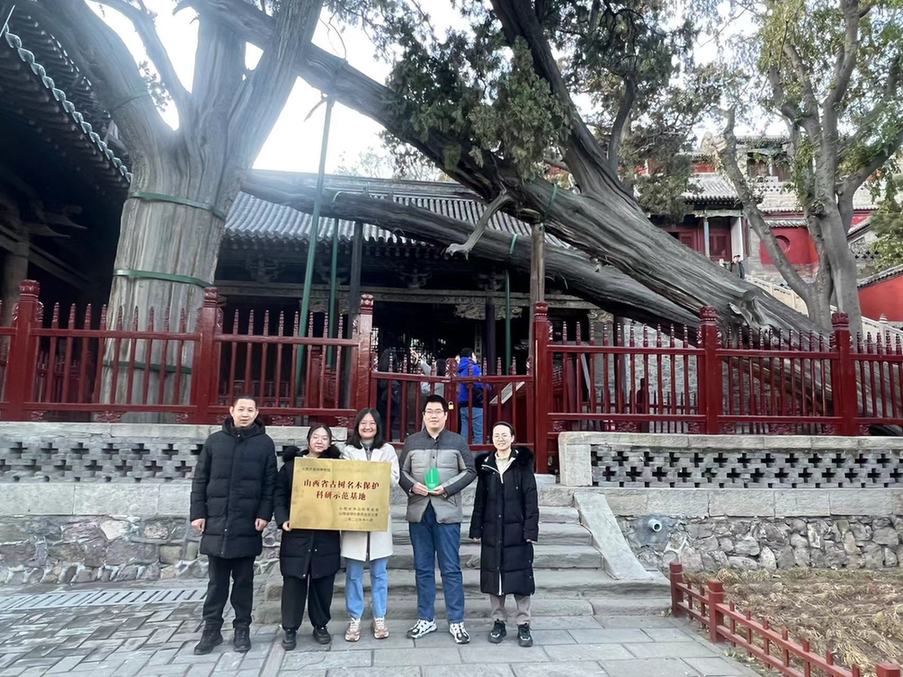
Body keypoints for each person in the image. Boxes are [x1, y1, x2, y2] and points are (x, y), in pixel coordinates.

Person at [190, 395, 277, 655]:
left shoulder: (264, 444)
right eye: (241, 409)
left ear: (256, 412)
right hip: (216, 520)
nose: (245, 413)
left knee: (243, 582)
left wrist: (265, 513)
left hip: (247, 523)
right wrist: (198, 513)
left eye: (250, 410)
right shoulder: (215, 442)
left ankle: (242, 629)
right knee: (216, 584)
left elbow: (269, 484)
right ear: (231, 411)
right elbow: (200, 479)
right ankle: (211, 630)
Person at [399, 394, 477, 644]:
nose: (433, 415)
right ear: (423, 415)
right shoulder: (412, 441)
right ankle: (426, 619)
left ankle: (456, 621)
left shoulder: (457, 440)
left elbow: (470, 471)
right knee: (422, 568)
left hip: (447, 512)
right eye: (429, 411)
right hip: (419, 511)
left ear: (446, 415)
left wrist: (447, 488)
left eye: (438, 411)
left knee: (451, 568)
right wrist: (413, 487)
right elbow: (400, 473)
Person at [469, 422, 538, 647]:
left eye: (504, 435)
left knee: (520, 579)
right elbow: (480, 500)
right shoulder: (486, 466)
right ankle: (498, 621)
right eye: (496, 435)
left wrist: (530, 529)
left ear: (513, 437)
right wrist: (476, 527)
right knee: (494, 577)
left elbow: (531, 498)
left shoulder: (522, 465)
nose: (500, 439)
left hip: (517, 531)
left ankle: (523, 624)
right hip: (492, 530)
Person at [274, 424, 342, 650]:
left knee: (323, 583)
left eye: (325, 438)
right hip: (297, 534)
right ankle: (290, 628)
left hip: (326, 534)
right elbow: (279, 495)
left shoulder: (339, 468)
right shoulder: (292, 467)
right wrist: (283, 519)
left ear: (330, 442)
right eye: (316, 437)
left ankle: (320, 625)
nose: (320, 441)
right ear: (308, 440)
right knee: (294, 581)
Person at [340, 408, 400, 642]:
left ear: (378, 426)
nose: (367, 426)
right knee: (354, 572)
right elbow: (343, 479)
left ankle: (379, 617)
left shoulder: (387, 450)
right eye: (363, 423)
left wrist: (373, 474)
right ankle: (354, 618)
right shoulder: (348, 451)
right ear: (357, 426)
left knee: (379, 572)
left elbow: (394, 479)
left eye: (371, 423)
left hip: (378, 514)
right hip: (354, 514)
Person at [457, 348, 485, 444]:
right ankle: (478, 455)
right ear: (470, 356)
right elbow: (480, 384)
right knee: (478, 433)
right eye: (474, 355)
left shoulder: (459, 369)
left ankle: (463, 453)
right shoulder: (473, 367)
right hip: (475, 403)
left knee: (464, 431)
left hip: (462, 403)